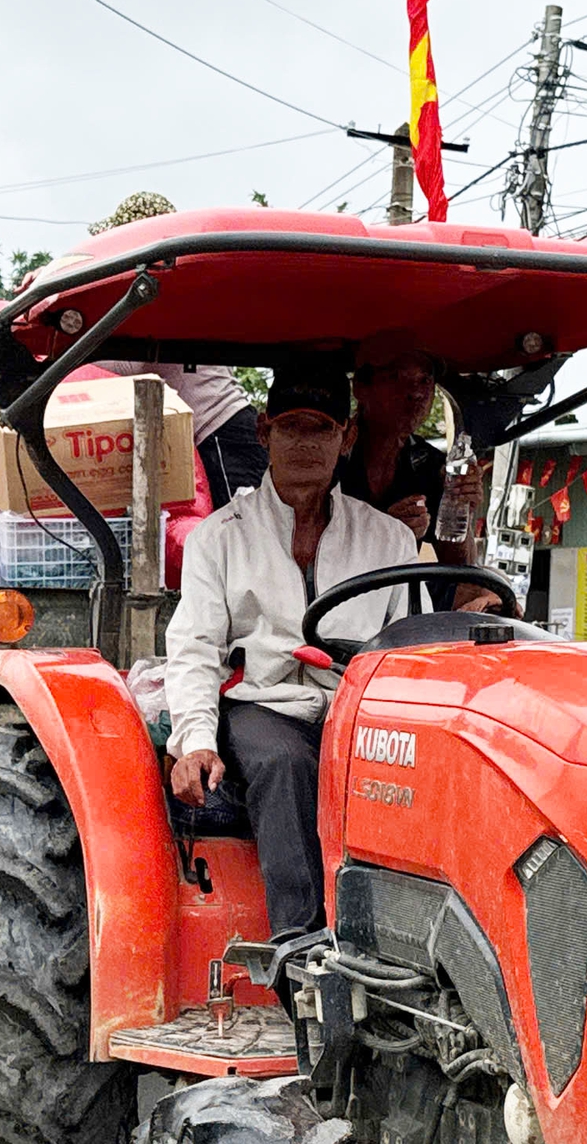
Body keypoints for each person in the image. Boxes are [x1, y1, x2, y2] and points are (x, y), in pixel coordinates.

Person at [164, 369, 416, 935]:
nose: (305, 444)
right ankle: (301, 951)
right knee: (284, 762)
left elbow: (403, 656)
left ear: (345, 438)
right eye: (291, 428)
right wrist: (196, 742)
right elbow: (195, 647)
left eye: (320, 429)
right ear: (263, 433)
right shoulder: (219, 536)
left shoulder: (390, 540)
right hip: (261, 706)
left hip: (352, 711)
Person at [67, 193, 268, 504]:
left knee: (241, 541)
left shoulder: (167, 295)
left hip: (223, 435)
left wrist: (68, 353)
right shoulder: (163, 293)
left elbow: (130, 365)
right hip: (212, 436)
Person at [340, 330, 494, 609]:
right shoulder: (330, 457)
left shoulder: (429, 464)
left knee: (485, 593)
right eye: (395, 378)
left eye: (425, 380)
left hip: (401, 601)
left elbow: (459, 568)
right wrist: (386, 532)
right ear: (360, 388)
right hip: (334, 595)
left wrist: (462, 509)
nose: (415, 393)